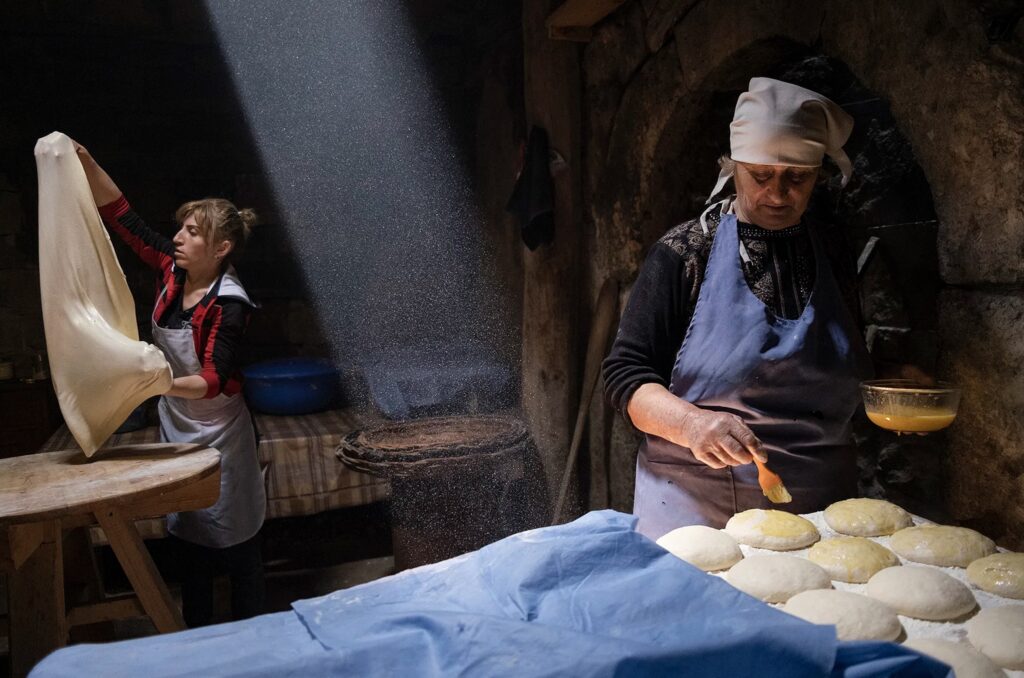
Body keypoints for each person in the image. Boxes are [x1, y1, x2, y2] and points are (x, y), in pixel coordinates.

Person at [602, 78, 874, 539]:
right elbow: (625, 376)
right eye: (760, 175)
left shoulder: (832, 251)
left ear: (817, 176)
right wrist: (691, 423)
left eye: (797, 177)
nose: (777, 193)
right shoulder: (684, 253)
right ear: (733, 167)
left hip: (823, 512)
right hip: (697, 513)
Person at [73, 140, 267, 627]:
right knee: (191, 545)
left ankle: (257, 643)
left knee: (239, 548)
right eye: (181, 227)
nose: (177, 237)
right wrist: (87, 162)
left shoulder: (230, 304)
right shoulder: (171, 270)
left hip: (221, 434)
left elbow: (212, 380)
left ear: (221, 249)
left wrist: (153, 382)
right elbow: (123, 218)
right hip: (177, 426)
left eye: (192, 231)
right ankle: (198, 641)